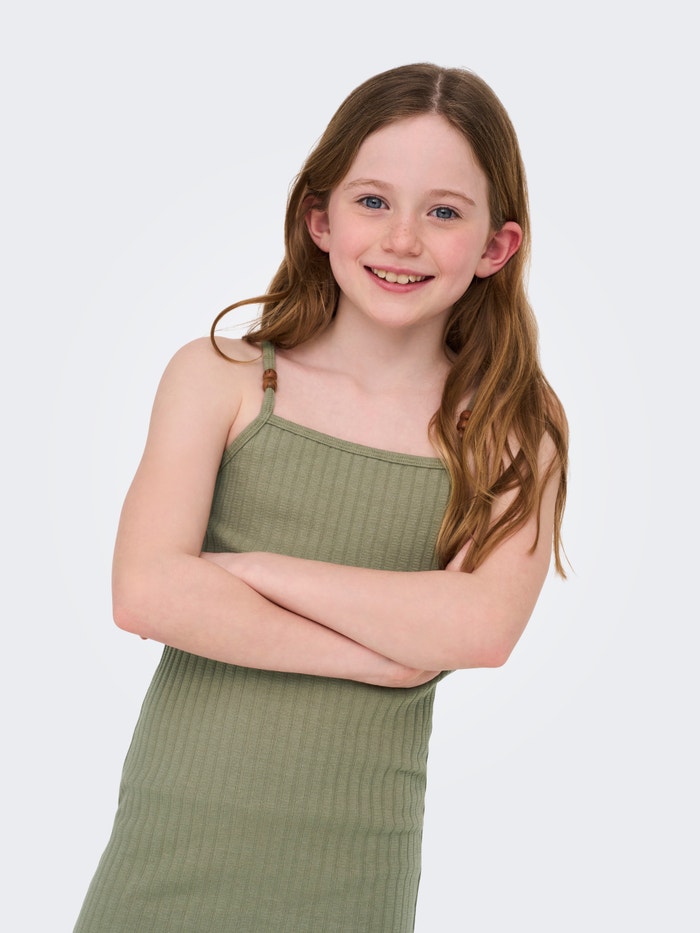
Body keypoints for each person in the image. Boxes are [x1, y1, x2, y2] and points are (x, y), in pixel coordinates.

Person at [73, 62, 568, 932]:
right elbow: (145, 591)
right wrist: (379, 657)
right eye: (373, 201)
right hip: (173, 839)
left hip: (357, 861)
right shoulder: (220, 377)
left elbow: (479, 626)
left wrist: (249, 569)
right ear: (320, 218)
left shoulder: (513, 427)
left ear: (496, 247)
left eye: (444, 212)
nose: (403, 239)